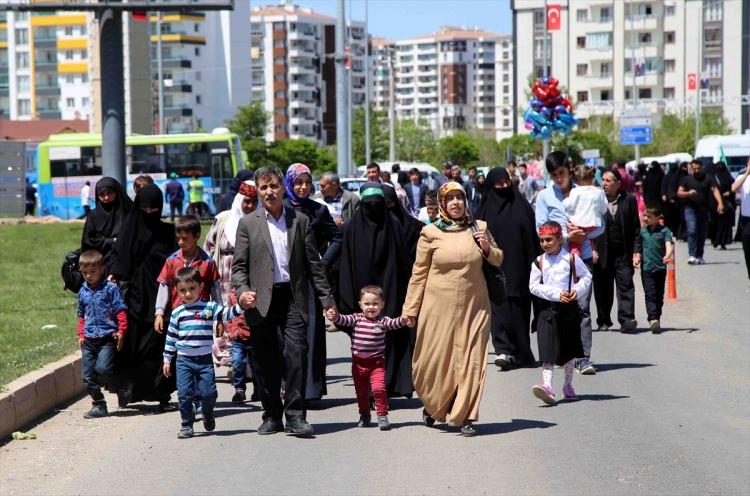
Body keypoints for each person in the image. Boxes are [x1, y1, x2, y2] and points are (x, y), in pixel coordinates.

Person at [231, 166, 335, 436]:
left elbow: (314, 264)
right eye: (264, 187)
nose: (270, 192)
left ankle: (296, 415)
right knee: (265, 361)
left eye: (274, 186)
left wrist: (327, 300)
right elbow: (238, 267)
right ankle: (271, 415)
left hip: (292, 297)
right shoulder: (248, 223)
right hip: (261, 300)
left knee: (296, 354)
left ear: (282, 188)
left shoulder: (298, 221)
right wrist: (242, 291)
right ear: (257, 190)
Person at [403, 182, 503, 436]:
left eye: (460, 197)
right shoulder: (430, 232)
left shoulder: (479, 227)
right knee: (434, 362)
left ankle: (466, 415)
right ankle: (436, 405)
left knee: (472, 361)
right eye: (451, 199)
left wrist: (488, 249)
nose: (456, 203)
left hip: (474, 307)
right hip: (437, 308)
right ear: (442, 204)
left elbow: (499, 258)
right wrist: (410, 309)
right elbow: (418, 274)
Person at [338, 182, 414, 398]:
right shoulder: (352, 228)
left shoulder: (395, 225)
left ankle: (388, 385)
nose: (373, 207)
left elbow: (404, 263)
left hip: (392, 294)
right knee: (366, 342)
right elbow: (346, 266)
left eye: (377, 204)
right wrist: (348, 300)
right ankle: (370, 389)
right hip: (362, 298)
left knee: (390, 338)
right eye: (368, 204)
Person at [110, 184, 177, 410]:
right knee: (133, 346)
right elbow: (118, 261)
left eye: (155, 209)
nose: (150, 214)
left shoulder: (168, 233)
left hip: (160, 297)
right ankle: (129, 389)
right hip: (134, 300)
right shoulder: (129, 231)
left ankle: (162, 394)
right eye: (146, 209)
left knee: (161, 346)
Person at [535, 152, 603, 374]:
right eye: (554, 175)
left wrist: (585, 236)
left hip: (581, 257)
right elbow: (541, 229)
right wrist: (566, 237)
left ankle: (583, 357)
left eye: (562, 173)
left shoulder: (585, 191)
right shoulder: (545, 197)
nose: (559, 179)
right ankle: (563, 355)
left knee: (582, 307)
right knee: (559, 308)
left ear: (570, 170)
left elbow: (600, 222)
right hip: (557, 260)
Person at [162, 266, 247, 439]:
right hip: (183, 360)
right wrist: (167, 359)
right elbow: (171, 337)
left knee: (209, 393)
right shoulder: (177, 313)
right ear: (176, 291)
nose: (187, 294)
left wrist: (242, 306)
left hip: (204, 360)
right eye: (182, 290)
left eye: (191, 289)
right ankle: (186, 425)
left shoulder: (209, 307)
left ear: (201, 287)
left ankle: (207, 412)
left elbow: (227, 313)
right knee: (184, 395)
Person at [283, 163, 342, 401]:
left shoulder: (318, 210)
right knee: (286, 335)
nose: (303, 187)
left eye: (307, 182)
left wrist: (323, 262)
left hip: (310, 279)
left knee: (312, 333)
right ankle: (285, 387)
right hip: (284, 279)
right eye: (298, 182)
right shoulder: (281, 208)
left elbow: (338, 237)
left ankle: (311, 389)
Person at [476, 168, 538, 370]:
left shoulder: (522, 207)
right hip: (494, 267)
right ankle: (504, 350)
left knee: (519, 310)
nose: (503, 187)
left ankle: (521, 352)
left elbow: (532, 239)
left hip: (520, 268)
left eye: (506, 182)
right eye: (498, 184)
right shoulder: (484, 211)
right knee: (499, 309)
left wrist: (536, 265)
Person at [204, 181, 259, 403]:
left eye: (254, 202)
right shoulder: (224, 219)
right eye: (246, 201)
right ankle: (235, 367)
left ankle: (248, 372)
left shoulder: (259, 221)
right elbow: (209, 247)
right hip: (224, 277)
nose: (249, 206)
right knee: (228, 321)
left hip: (249, 277)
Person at [326, 285, 409, 431]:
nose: (371, 307)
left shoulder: (383, 321)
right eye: (367, 303)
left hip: (376, 363)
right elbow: (342, 320)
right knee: (361, 392)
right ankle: (364, 415)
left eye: (375, 304)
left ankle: (382, 415)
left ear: (382, 304)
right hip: (358, 364)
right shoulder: (356, 319)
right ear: (360, 304)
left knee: (379, 389)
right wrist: (335, 316)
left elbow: (394, 323)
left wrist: (404, 319)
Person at [529, 221, 592, 406]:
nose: (545, 243)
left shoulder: (571, 259)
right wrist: (556, 294)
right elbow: (533, 286)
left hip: (569, 311)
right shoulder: (539, 262)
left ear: (559, 239)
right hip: (547, 310)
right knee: (547, 349)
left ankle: (567, 385)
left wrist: (577, 291)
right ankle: (547, 386)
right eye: (542, 240)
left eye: (549, 239)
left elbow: (586, 276)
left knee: (569, 351)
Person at [154, 216, 221, 378]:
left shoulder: (208, 263)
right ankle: (186, 390)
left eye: (185, 238)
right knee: (180, 354)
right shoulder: (171, 261)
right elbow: (164, 286)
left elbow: (216, 289)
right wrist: (159, 312)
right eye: (178, 239)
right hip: (180, 317)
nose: (181, 242)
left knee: (200, 353)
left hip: (201, 319)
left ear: (197, 236)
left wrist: (219, 318)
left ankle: (202, 388)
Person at [76, 249, 128, 418]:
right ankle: (99, 404)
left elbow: (120, 310)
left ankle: (121, 384)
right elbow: (81, 315)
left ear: (102, 269)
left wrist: (122, 331)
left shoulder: (110, 289)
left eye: (92, 272)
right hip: (89, 339)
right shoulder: (82, 291)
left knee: (103, 369)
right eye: (85, 273)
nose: (88, 276)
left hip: (107, 338)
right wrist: (81, 334)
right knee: (87, 375)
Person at [594, 169, 642, 333]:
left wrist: (637, 250)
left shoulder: (629, 200)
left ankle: (627, 319)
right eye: (603, 180)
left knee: (626, 285)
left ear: (618, 183)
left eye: (608, 181)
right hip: (602, 252)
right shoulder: (597, 200)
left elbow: (636, 227)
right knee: (602, 288)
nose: (604, 183)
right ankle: (603, 320)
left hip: (623, 252)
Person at [81, 177, 133, 274]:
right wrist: (111, 241)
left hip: (124, 264)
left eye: (109, 193)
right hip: (99, 266)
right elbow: (87, 241)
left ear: (116, 192)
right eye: (102, 194)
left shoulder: (127, 212)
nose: (106, 198)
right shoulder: (93, 215)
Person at [677, 160, 724, 264]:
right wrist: (688, 193)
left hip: (703, 210)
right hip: (690, 209)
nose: (697, 170)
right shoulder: (687, 179)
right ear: (691, 169)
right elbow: (679, 192)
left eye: (698, 168)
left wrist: (720, 203)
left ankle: (699, 255)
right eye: (694, 169)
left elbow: (715, 190)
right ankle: (692, 255)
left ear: (701, 168)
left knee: (702, 234)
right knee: (692, 230)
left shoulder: (708, 178)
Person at [640, 207, 674, 334]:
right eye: (645, 216)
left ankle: (657, 318)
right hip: (646, 268)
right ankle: (652, 318)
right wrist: (636, 257)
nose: (645, 219)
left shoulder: (665, 231)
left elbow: (668, 245)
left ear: (657, 217)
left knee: (659, 295)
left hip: (660, 268)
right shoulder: (642, 232)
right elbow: (637, 247)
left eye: (649, 217)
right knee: (650, 294)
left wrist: (667, 255)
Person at [563, 165, 608, 257]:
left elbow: (569, 206)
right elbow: (604, 208)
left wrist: (565, 200)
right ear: (592, 178)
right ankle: (591, 247)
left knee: (575, 240)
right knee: (588, 236)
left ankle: (575, 251)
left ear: (576, 180)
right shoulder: (598, 191)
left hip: (578, 224)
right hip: (593, 225)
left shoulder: (575, 191)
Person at [709, 161, 736, 250]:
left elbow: (734, 189)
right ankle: (717, 240)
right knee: (717, 223)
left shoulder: (728, 178)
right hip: (715, 203)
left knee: (724, 224)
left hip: (725, 204)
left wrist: (729, 192)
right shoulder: (713, 178)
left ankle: (722, 242)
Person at [730, 160, 750, 278]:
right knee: (747, 251)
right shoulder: (743, 177)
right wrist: (747, 173)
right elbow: (733, 188)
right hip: (747, 220)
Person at [662, 162, 686, 237]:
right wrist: (664, 194)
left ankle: (676, 232)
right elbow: (664, 185)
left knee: (676, 217)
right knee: (671, 216)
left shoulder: (678, 176)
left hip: (676, 199)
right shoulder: (668, 176)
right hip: (671, 199)